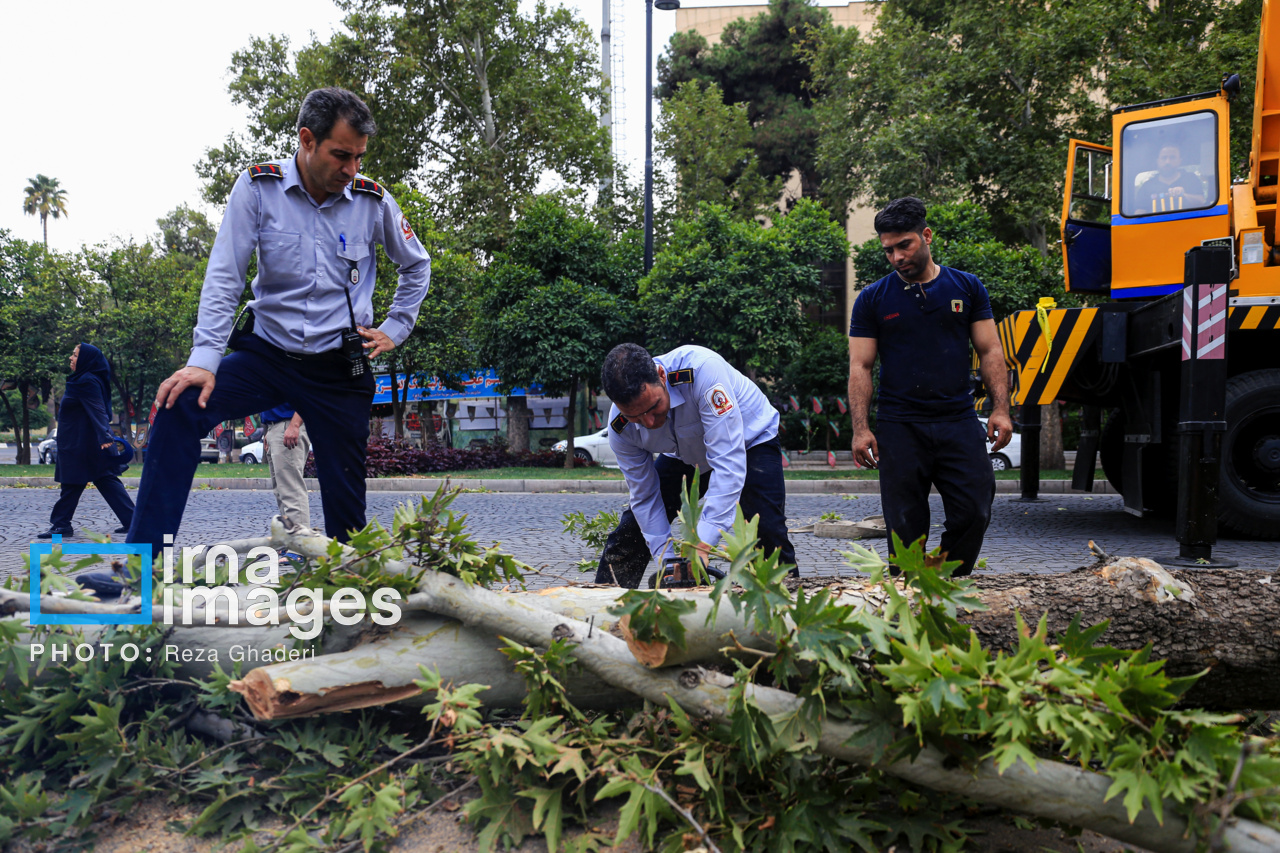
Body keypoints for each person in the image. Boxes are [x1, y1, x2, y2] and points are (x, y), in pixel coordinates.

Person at [126, 87, 430, 559]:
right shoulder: (258, 186)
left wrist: (395, 327)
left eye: (359, 157)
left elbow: (417, 264)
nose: (352, 170)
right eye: (341, 155)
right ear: (307, 140)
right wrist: (204, 359)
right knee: (178, 406)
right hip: (267, 355)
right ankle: (140, 565)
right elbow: (225, 274)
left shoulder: (372, 200)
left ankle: (351, 594)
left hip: (337, 367)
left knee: (347, 505)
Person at [848, 197, 1012, 576]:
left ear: (926, 236)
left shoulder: (967, 288)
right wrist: (861, 428)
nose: (896, 257)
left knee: (975, 509)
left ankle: (943, 578)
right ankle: (908, 596)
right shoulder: (873, 299)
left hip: (957, 419)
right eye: (888, 250)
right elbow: (861, 365)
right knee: (904, 527)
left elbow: (990, 350)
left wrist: (1001, 409)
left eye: (904, 245)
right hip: (899, 425)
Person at [594, 343, 796, 589]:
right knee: (631, 531)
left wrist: (700, 546)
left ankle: (785, 604)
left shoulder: (702, 371)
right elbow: (645, 498)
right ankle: (605, 605)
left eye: (653, 407)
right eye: (635, 417)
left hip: (748, 441)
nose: (647, 422)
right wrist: (666, 560)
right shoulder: (620, 427)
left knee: (764, 528)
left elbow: (728, 464)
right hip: (686, 454)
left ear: (661, 377)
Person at [39, 343, 135, 538]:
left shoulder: (86, 381)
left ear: (85, 360)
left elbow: (97, 409)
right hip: (83, 441)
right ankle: (133, 521)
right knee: (104, 480)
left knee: (73, 483)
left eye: (75, 355)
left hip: (83, 444)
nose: (71, 358)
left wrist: (105, 437)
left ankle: (61, 524)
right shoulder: (84, 379)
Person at [261, 404, 311, 528]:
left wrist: (295, 424)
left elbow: (308, 389)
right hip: (277, 426)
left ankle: (300, 543)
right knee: (281, 491)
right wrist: (270, 431)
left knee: (291, 490)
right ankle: (290, 539)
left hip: (290, 424)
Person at [1136, 144, 1207, 212]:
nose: (1168, 162)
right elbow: (1139, 212)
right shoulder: (1147, 186)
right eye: (1164, 158)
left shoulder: (1191, 179)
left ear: (1180, 161)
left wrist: (1184, 195)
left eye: (1172, 157)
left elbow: (1201, 201)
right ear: (1158, 161)